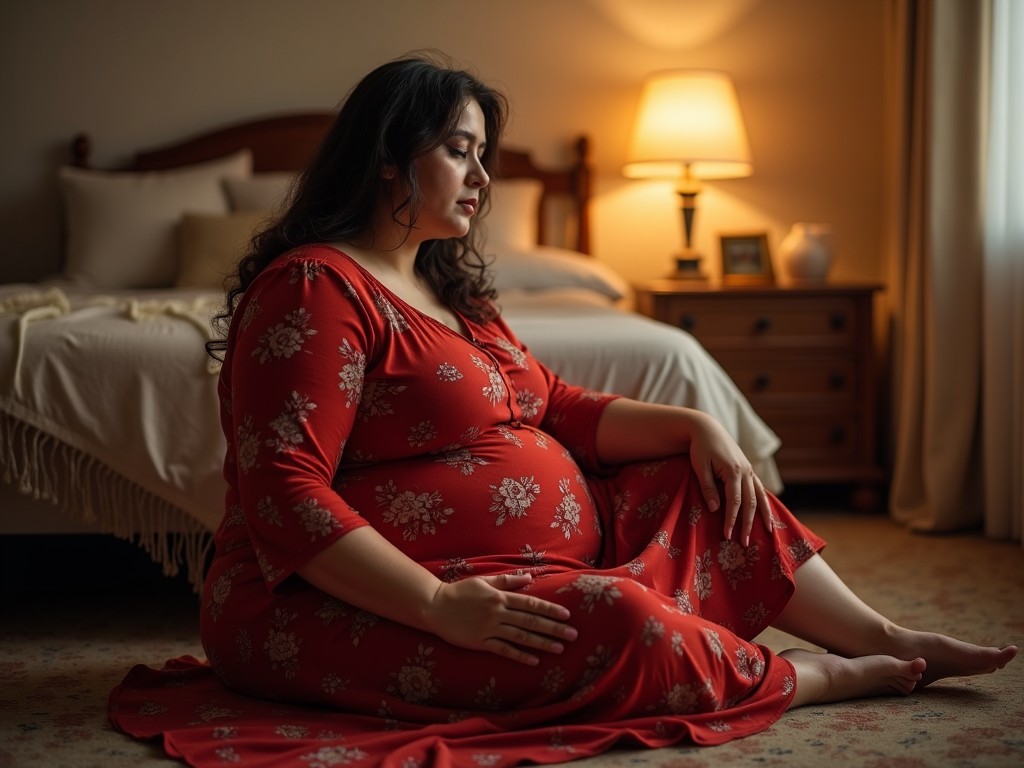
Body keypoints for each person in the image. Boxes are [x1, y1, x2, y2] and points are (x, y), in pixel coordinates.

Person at [109, 54, 1016, 768]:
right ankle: (806, 677)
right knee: (615, 619)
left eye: (483, 156)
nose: (482, 178)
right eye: (459, 151)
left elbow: (559, 408)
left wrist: (695, 426)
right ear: (389, 155)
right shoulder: (315, 288)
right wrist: (436, 605)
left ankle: (889, 633)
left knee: (694, 485)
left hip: (507, 570)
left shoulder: (444, 290)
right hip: (341, 604)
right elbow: (282, 494)